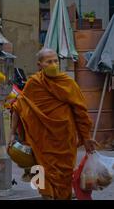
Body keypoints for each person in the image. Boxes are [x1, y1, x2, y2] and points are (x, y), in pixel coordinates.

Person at [10, 48, 98, 200]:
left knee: (64, 175)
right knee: (42, 172)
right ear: (40, 65)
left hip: (64, 139)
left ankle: (63, 195)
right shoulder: (34, 83)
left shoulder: (68, 83)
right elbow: (19, 107)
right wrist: (12, 133)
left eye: (56, 61)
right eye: (49, 62)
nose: (53, 64)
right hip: (41, 140)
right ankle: (47, 195)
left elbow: (81, 112)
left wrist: (86, 137)